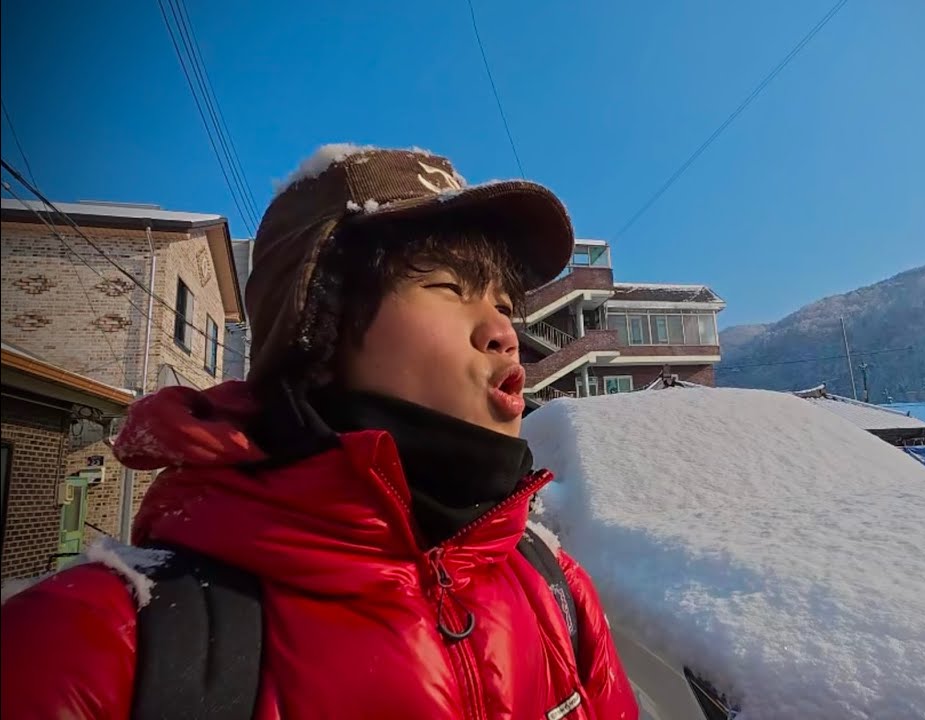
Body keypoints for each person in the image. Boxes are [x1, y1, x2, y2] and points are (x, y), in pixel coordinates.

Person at [0, 145, 639, 719]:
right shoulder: (95, 643)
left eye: (504, 305)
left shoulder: (555, 589)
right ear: (319, 333)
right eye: (448, 287)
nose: (503, 333)